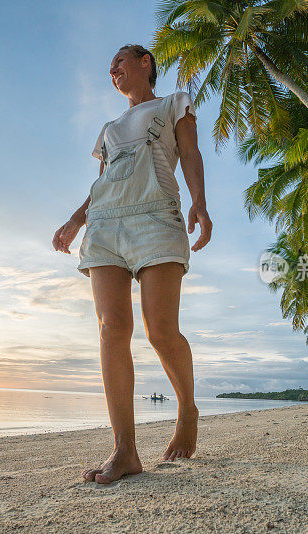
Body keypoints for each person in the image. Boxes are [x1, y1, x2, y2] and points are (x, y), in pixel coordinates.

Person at [52, 44, 212, 484]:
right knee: (111, 330)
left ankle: (187, 408)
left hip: (155, 217)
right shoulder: (107, 129)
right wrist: (73, 220)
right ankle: (125, 450)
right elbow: (102, 182)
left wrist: (199, 203)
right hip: (104, 225)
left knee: (161, 330)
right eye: (109, 68)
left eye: (119, 61)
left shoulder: (174, 103)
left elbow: (191, 153)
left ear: (145, 64)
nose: (113, 70)